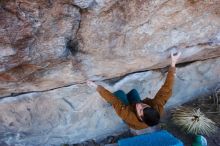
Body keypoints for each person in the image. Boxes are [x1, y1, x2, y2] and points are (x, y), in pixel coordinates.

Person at [87, 52, 181, 130]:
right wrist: (173, 63)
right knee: (133, 92)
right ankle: (128, 102)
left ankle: (119, 101)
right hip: (137, 111)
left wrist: (98, 88)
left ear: (140, 117)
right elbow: (166, 88)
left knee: (119, 94)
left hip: (128, 113)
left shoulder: (130, 117)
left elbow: (115, 102)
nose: (139, 105)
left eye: (140, 110)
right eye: (144, 105)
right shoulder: (157, 107)